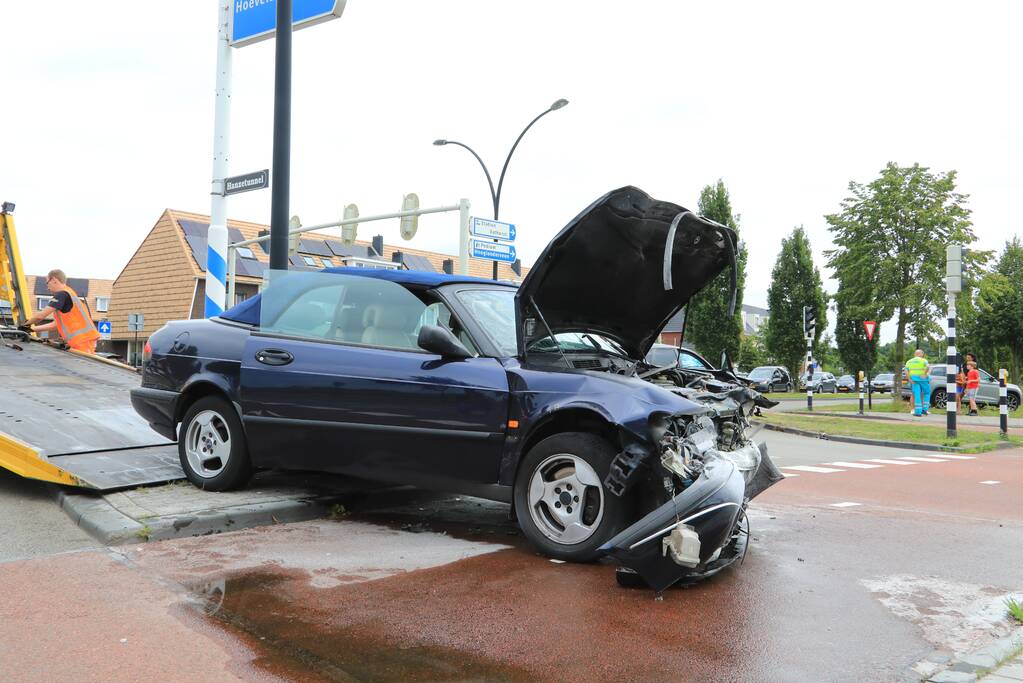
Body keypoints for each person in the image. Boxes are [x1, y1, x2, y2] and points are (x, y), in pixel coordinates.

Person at [20, 269, 99, 354]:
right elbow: (56, 325)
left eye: (47, 283)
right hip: (83, 340)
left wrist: (25, 325)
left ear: (54, 280)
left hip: (82, 340)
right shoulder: (69, 293)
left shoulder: (62, 294)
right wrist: (31, 329)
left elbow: (41, 316)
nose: (47, 287)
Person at [904, 349, 931, 417]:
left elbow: (906, 370)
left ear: (915, 354)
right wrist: (925, 374)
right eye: (922, 354)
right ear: (920, 354)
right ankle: (924, 409)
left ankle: (918, 412)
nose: (923, 355)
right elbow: (928, 367)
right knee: (927, 393)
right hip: (923, 380)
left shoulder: (909, 361)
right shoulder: (924, 360)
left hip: (914, 380)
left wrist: (909, 379)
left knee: (917, 394)